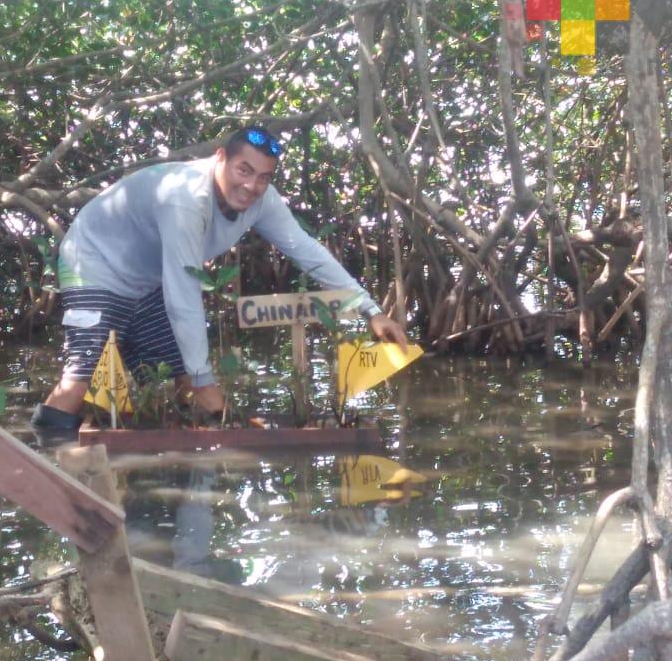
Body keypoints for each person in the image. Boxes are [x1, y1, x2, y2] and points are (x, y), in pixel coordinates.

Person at [30, 124, 408, 441]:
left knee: (181, 377)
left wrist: (370, 311)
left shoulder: (263, 200)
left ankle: (178, 477)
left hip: (145, 279)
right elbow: (183, 296)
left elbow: (307, 251)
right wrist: (209, 391)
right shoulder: (186, 198)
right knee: (80, 376)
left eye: (264, 177)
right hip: (93, 262)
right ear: (220, 158)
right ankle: (45, 463)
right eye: (244, 170)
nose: (252, 186)